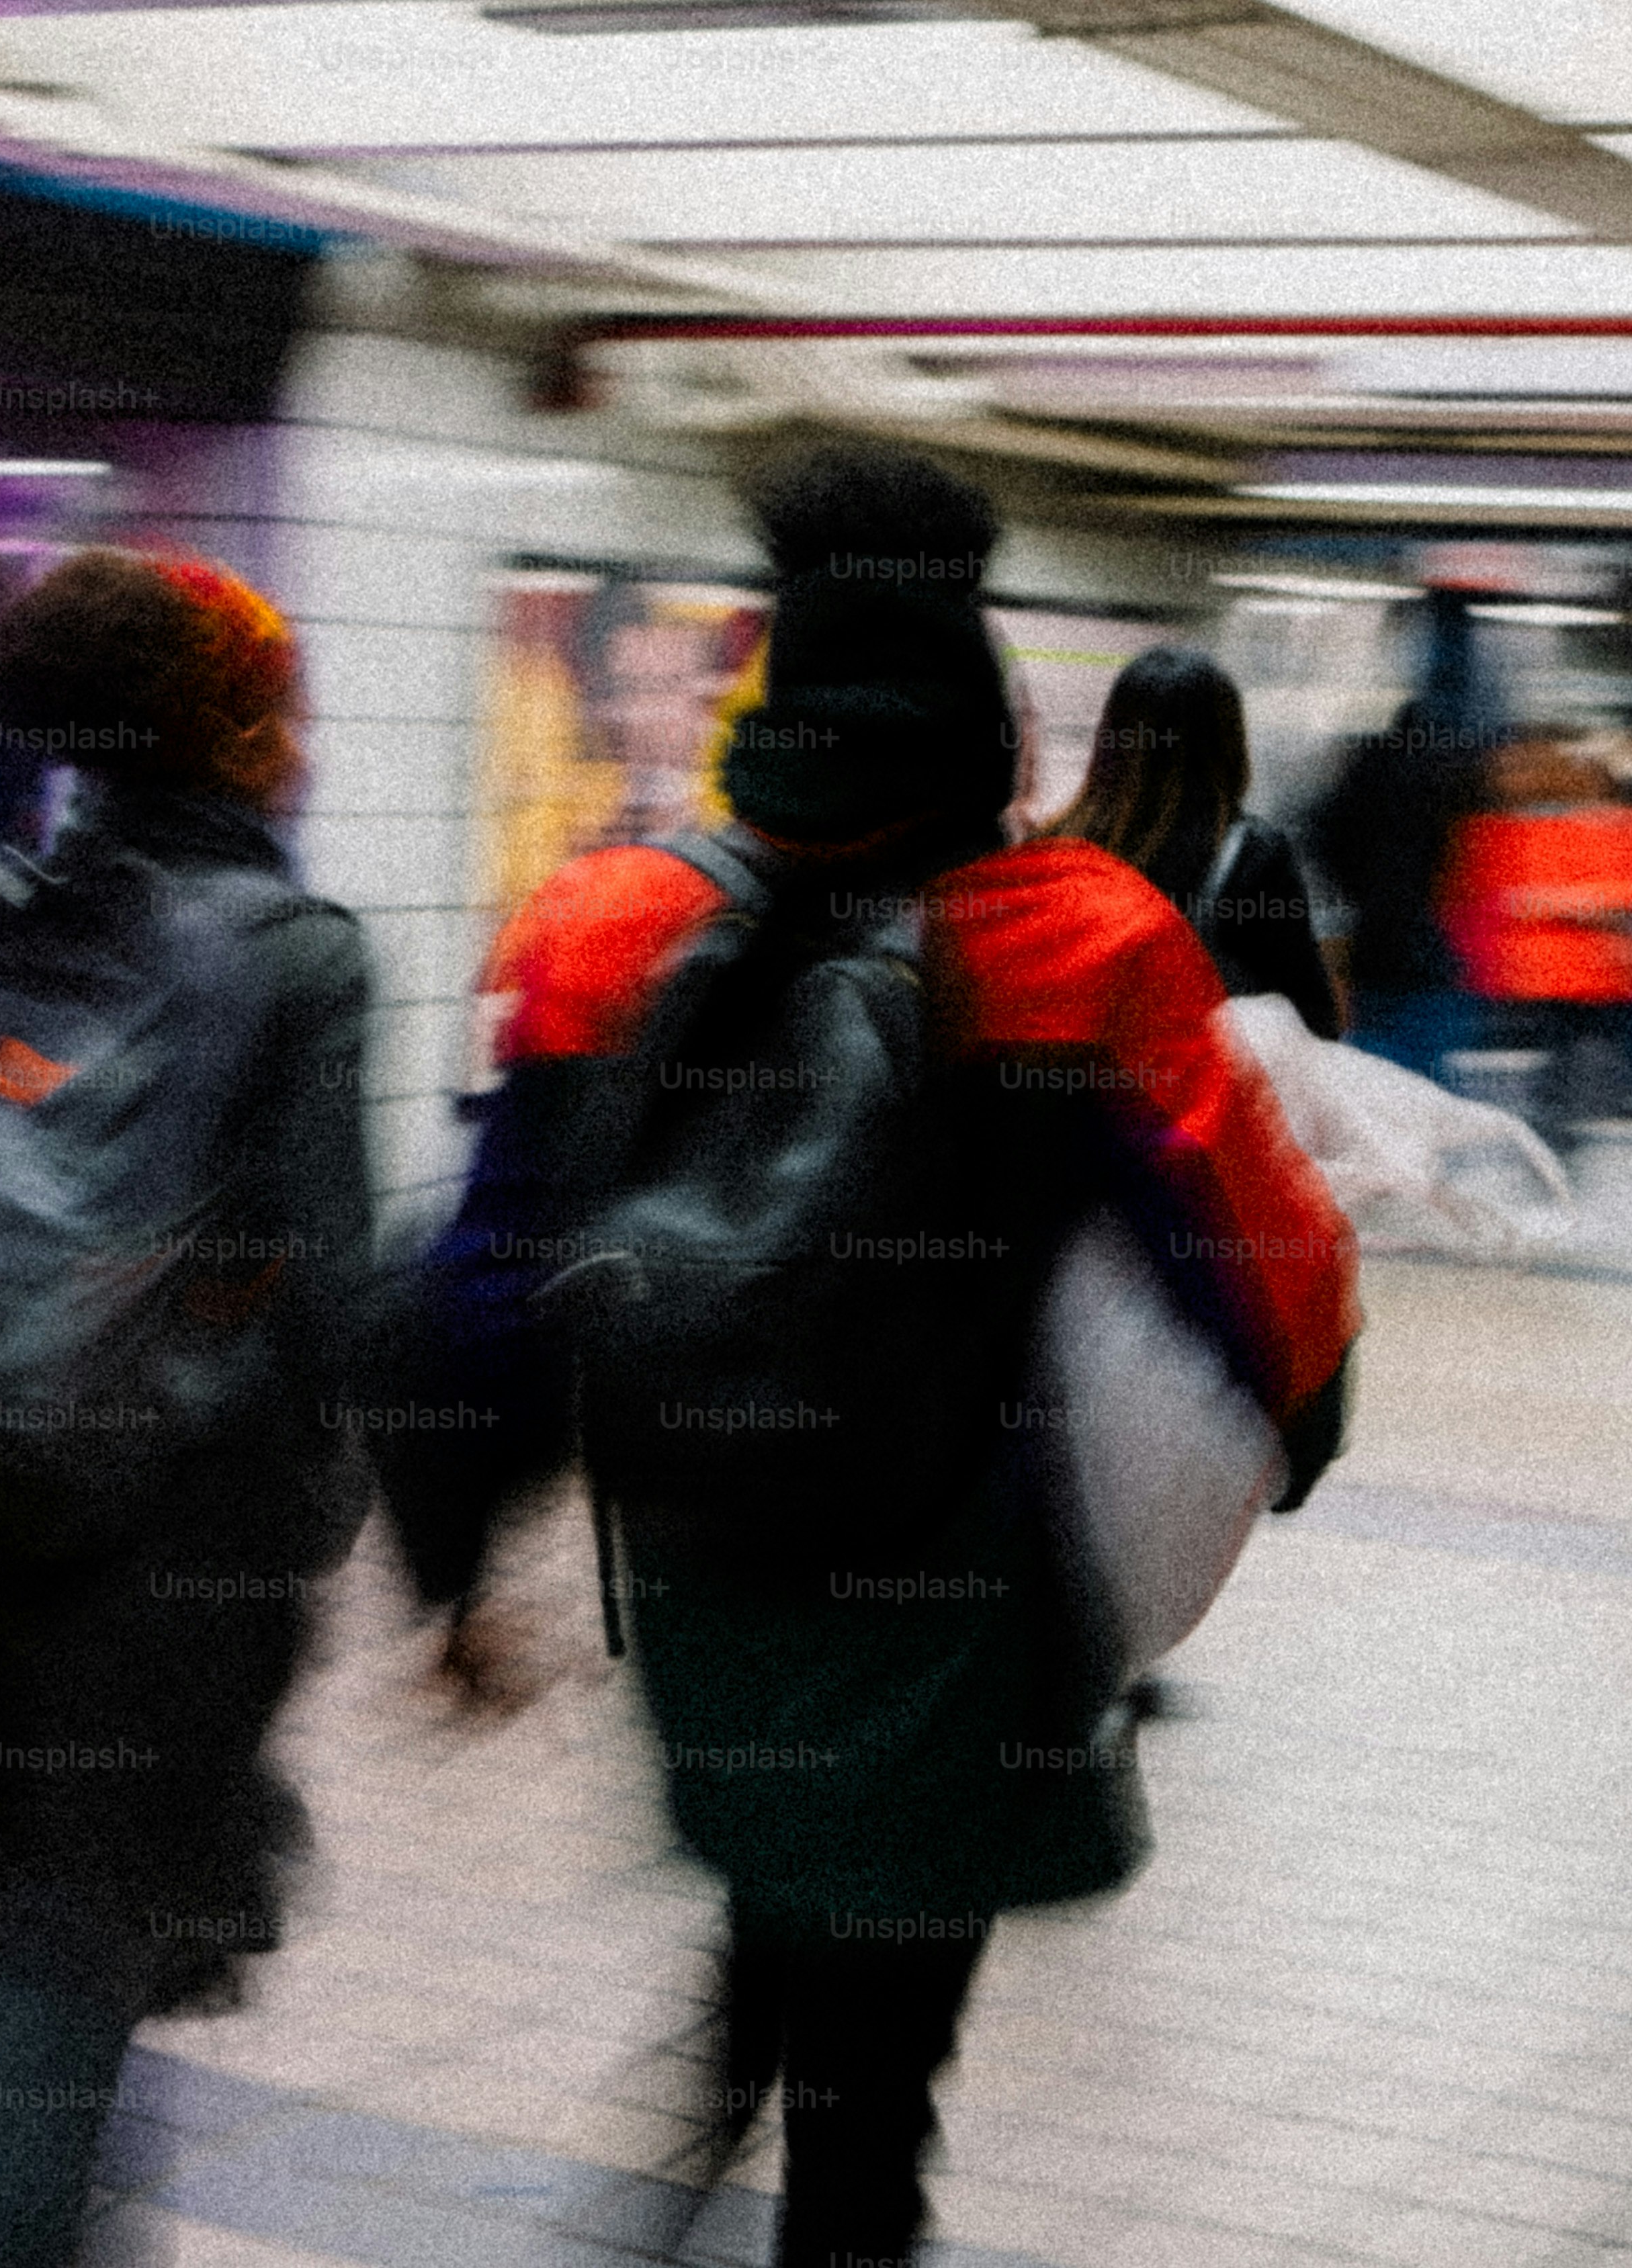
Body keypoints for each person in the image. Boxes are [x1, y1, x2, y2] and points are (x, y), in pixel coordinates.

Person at [375, 443, 1361, 2268]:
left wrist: (450, 1569)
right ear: (987, 725)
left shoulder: (607, 923)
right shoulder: (1083, 947)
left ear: (772, 705)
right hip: (952, 1597)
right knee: (876, 2084)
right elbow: (1269, 1275)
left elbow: (478, 1285)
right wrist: (1290, 1444)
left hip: (707, 1573)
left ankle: (692, 2150)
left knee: (786, 1903)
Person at [0, 549, 375, 2268]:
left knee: (31, 1968)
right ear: (238, 736)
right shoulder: (290, 954)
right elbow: (324, 1297)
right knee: (69, 1972)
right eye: (285, 709)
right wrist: (324, 1528)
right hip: (145, 1560)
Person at [1436, 728, 1632, 1154]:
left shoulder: (1617, 826)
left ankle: (1571, 1113)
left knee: (1586, 1037)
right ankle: (1561, 1118)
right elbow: (1512, 896)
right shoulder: (1526, 827)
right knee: (1578, 1038)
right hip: (1566, 962)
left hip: (1586, 962)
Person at [1047, 644, 1343, 1038]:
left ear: (1111, 736)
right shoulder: (1253, 855)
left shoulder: (1057, 847)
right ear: (1228, 741)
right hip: (1191, 1091)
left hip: (1072, 1089)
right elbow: (1315, 1020)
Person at [1306, 695, 1485, 1079]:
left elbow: (1324, 837)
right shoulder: (1452, 783)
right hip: (1431, 945)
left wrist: (1356, 892)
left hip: (1374, 942)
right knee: (1425, 1052)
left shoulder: (1366, 776)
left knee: (1377, 1045)